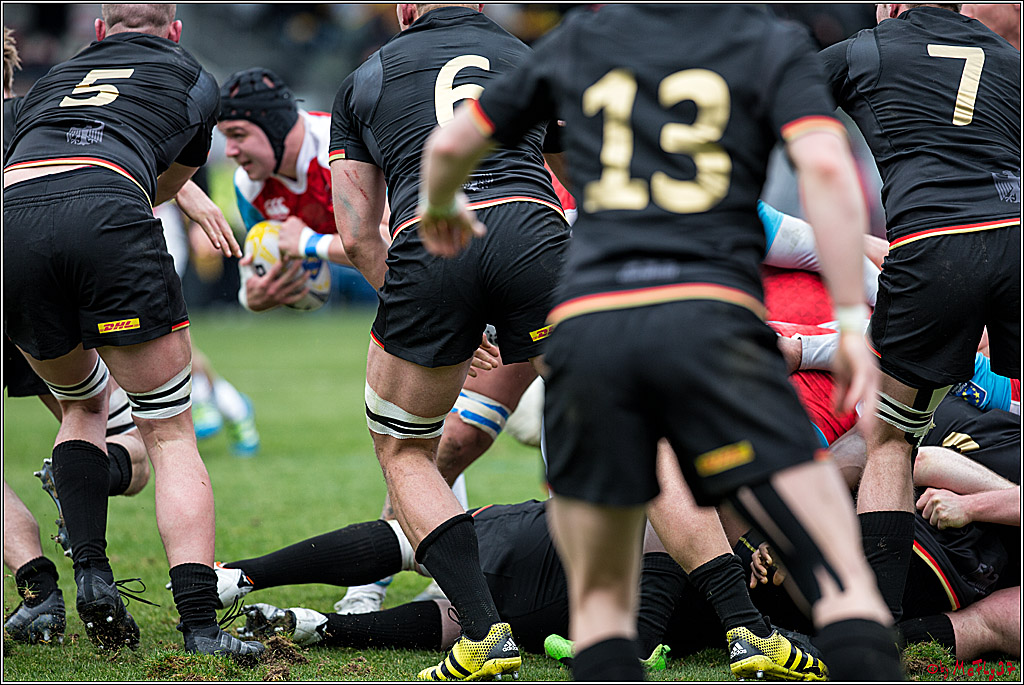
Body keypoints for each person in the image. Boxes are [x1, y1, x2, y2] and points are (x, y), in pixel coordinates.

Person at [420, 4, 903, 681]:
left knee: (602, 581)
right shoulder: (768, 40)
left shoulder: (581, 40)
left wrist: (440, 206)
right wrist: (850, 321)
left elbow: (448, 146)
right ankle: (857, 631)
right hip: (711, 313)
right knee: (823, 537)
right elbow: (825, 168)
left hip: (593, 323)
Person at [2, 4, 262, 662]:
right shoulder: (191, 74)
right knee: (168, 432)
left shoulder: (53, 77)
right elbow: (163, 182)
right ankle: (200, 627)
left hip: (13, 222)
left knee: (84, 405)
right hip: (109, 210)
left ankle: (88, 573)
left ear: (97, 31)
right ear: (174, 30)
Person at [328, 5, 572, 679]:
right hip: (535, 232)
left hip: (431, 245)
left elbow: (358, 235)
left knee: (406, 448)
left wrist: (432, 321)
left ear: (405, 8)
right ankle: (742, 622)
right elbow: (586, 176)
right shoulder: (531, 55)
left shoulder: (366, 76)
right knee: (626, 421)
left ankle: (484, 632)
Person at [819, 2, 1020, 622]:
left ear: (892, 6)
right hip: (1017, 234)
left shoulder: (867, 49)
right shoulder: (1010, 59)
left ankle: (875, 627)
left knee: (889, 440)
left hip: (934, 244)